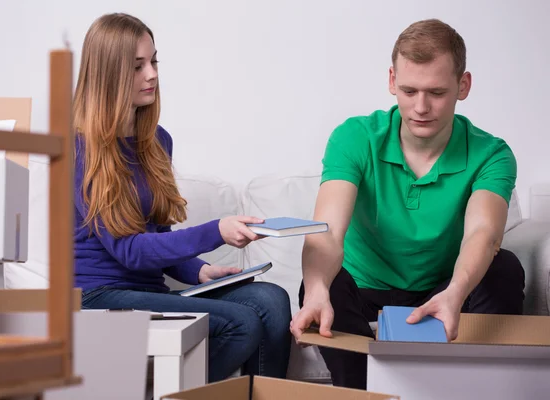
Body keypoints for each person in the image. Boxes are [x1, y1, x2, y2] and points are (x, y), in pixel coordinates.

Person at [290, 18, 524, 389]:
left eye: (436, 92)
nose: (420, 107)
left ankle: (476, 389)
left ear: (463, 86)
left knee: (505, 268)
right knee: (319, 285)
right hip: (364, 290)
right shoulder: (355, 137)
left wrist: (456, 291)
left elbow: (484, 232)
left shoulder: (491, 153)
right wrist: (317, 289)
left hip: (441, 289)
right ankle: (362, 393)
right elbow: (329, 230)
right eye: (409, 90)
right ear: (391, 82)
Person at [72, 13, 291, 382]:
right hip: (98, 296)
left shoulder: (158, 140)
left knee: (271, 300)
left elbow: (156, 238)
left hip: (148, 290)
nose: (152, 74)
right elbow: (129, 250)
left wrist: (200, 271)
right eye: (137, 66)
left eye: (154, 61)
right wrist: (216, 231)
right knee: (240, 323)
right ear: (108, 73)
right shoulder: (81, 148)